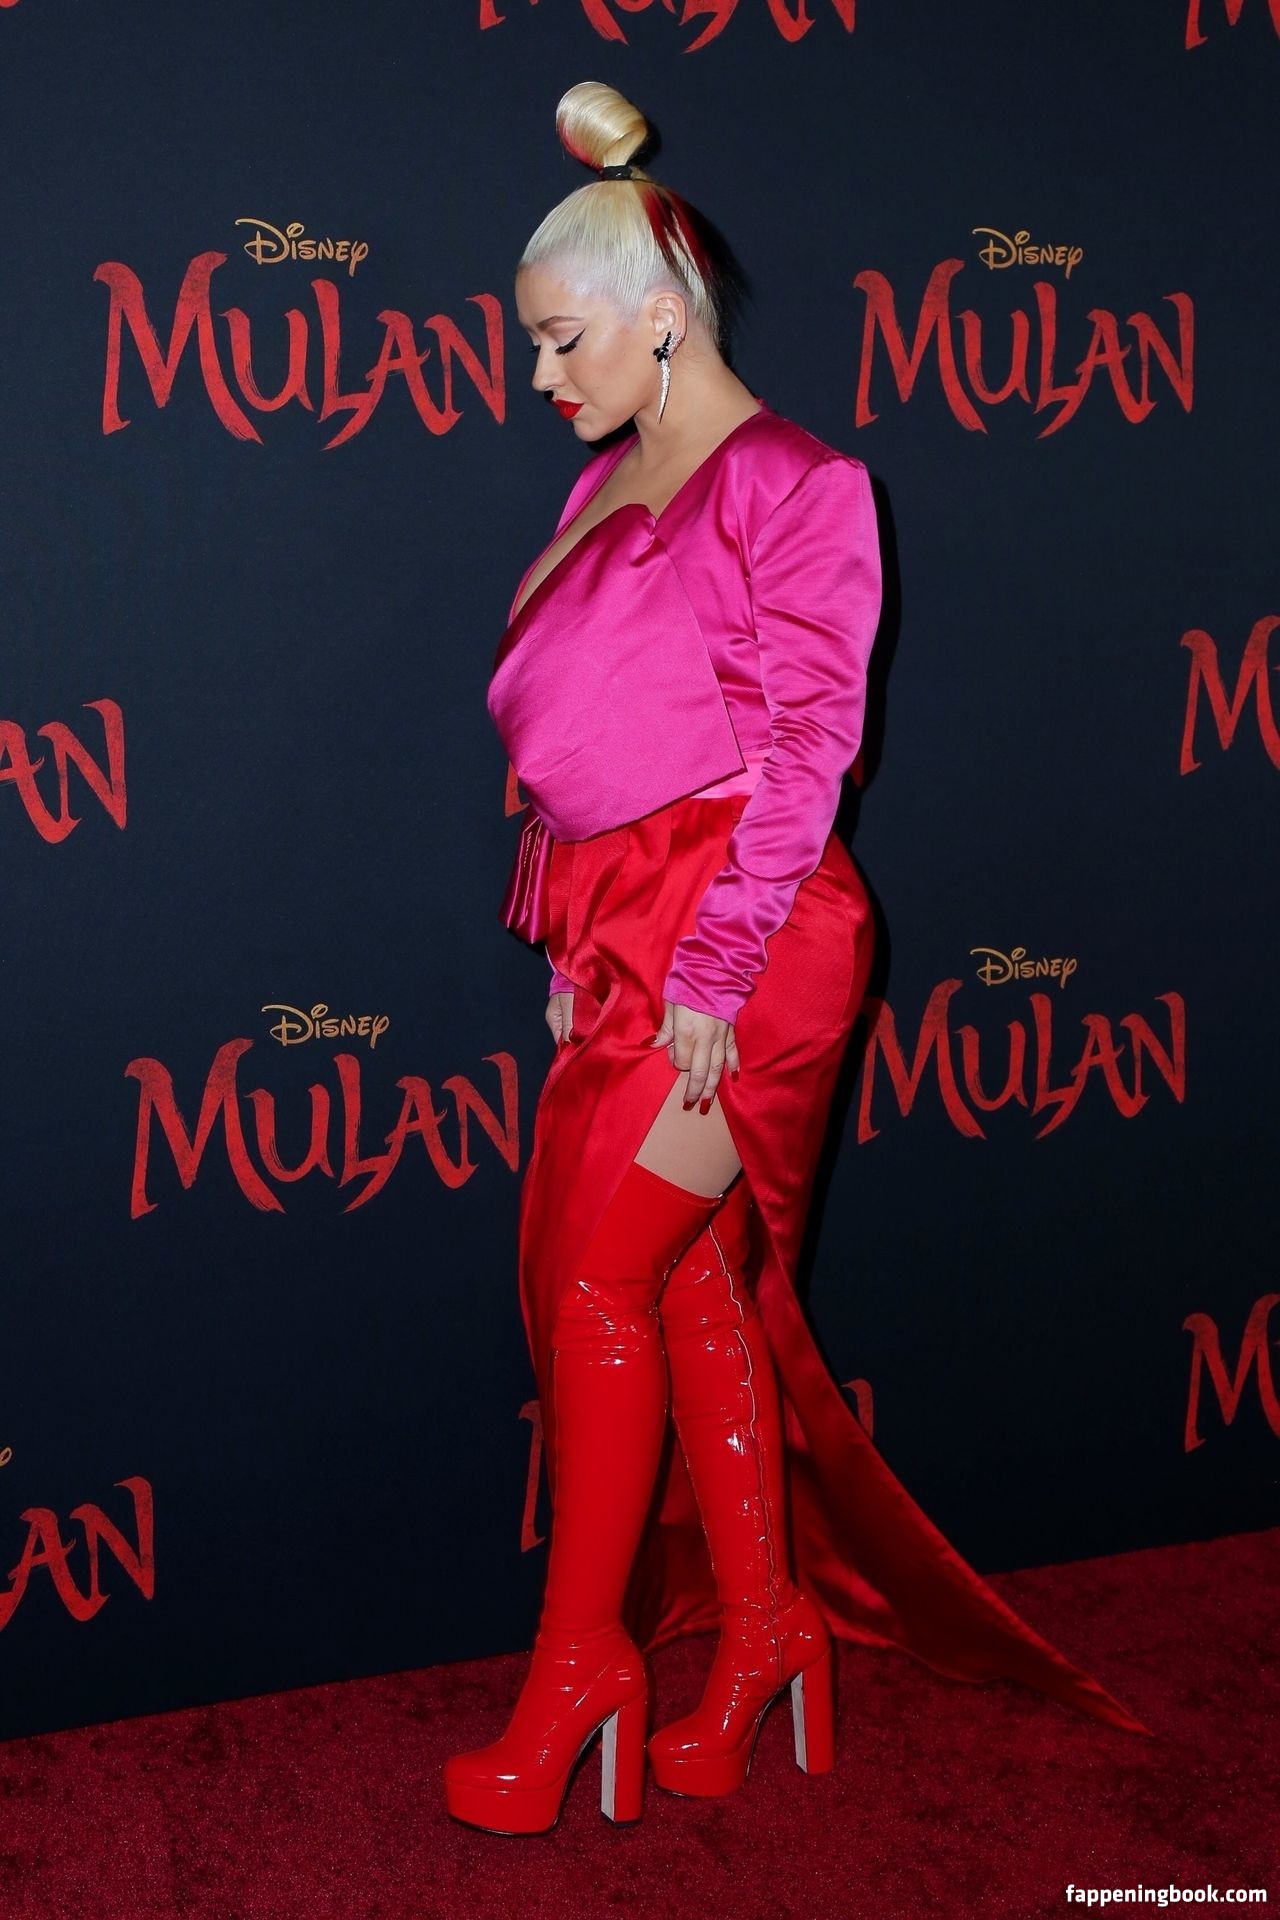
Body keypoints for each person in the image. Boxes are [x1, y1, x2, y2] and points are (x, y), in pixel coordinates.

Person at [444, 80, 1152, 1837]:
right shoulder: (607, 477)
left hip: (749, 936)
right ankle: (765, 1629)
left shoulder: (801, 482)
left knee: (595, 1286)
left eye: (561, 340)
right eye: (532, 344)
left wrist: (709, 965)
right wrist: (570, 924)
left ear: (660, 313)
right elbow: (585, 739)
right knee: (680, 1287)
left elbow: (808, 749)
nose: (539, 377)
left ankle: (582, 1663)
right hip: (628, 926)